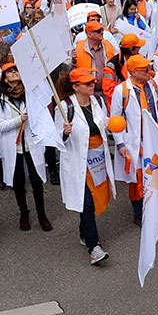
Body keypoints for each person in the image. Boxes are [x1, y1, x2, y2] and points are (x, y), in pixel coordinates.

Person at [55, 68, 115, 265]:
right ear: (75, 86)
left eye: (92, 82)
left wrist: (111, 125)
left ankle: (84, 232)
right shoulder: (64, 107)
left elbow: (103, 122)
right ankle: (94, 247)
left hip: (97, 159)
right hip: (78, 163)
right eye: (87, 83)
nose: (92, 85)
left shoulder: (96, 101)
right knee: (86, 202)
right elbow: (57, 141)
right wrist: (64, 132)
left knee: (96, 198)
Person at [112, 54, 158, 226]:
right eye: (145, 69)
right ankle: (139, 214)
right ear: (133, 72)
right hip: (135, 143)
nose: (150, 71)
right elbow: (115, 119)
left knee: (157, 175)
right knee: (137, 181)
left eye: (149, 68)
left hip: (153, 140)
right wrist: (120, 144)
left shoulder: (150, 85)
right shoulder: (121, 90)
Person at [0, 63, 51, 232]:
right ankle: (24, 212)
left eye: (16, 69)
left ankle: (41, 214)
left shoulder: (30, 94)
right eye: (10, 71)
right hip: (13, 147)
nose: (14, 72)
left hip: (32, 145)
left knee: (36, 180)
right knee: (18, 183)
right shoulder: (0, 100)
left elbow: (43, 108)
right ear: (4, 78)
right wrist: (19, 120)